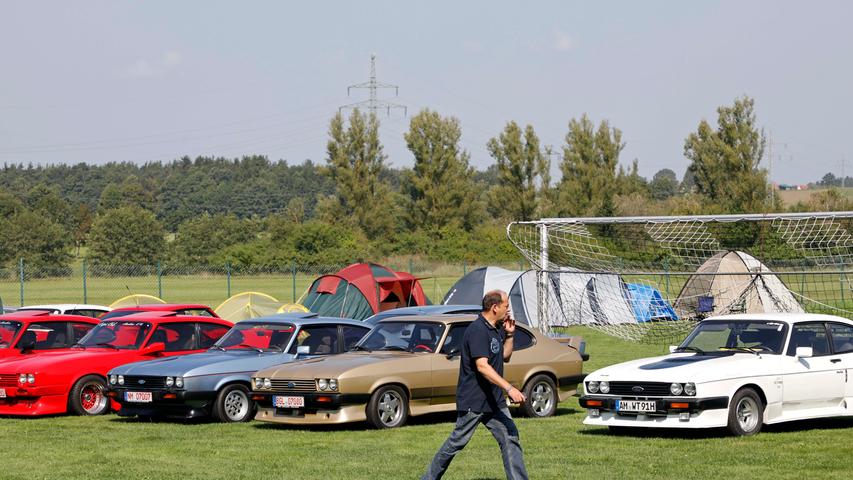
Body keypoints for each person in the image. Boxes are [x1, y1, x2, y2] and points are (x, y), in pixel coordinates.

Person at [421, 290, 529, 480]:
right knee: (456, 443)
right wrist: (510, 388)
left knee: (510, 437)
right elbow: (482, 367)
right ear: (495, 308)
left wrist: (510, 335)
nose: (508, 310)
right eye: (506, 306)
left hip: (494, 401)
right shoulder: (477, 330)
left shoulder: (494, 328)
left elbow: (505, 356)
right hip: (475, 400)